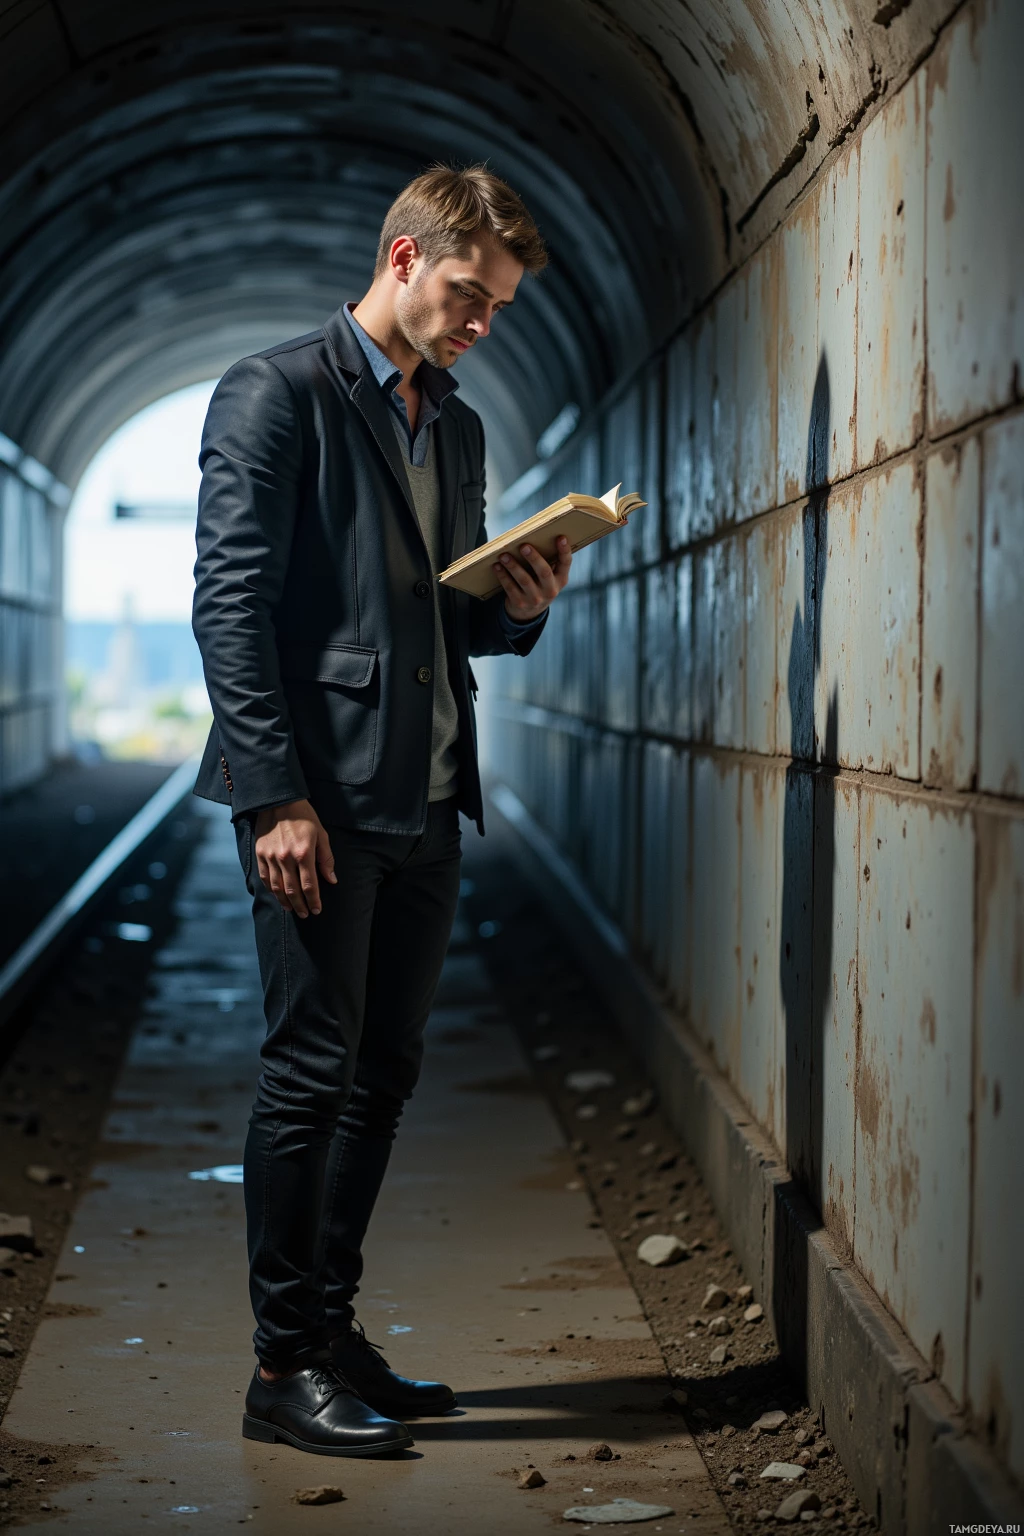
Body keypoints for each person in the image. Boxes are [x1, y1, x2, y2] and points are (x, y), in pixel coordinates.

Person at [191, 163, 573, 1458]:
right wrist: (272, 796)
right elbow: (231, 606)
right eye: (471, 293)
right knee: (310, 1073)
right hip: (320, 799)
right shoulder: (277, 392)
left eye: (503, 307)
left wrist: (513, 607)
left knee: (383, 1075)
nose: (483, 322)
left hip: (425, 792)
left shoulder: (454, 424)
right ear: (405, 258)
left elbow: (438, 618)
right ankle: (280, 1364)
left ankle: (333, 1333)